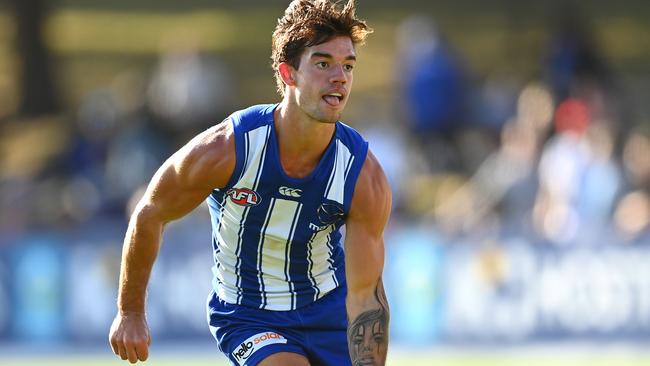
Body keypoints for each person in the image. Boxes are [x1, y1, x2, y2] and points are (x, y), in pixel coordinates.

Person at [108, 1, 391, 365]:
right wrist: (130, 312)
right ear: (288, 74)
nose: (340, 77)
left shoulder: (363, 175)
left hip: (329, 314)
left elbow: (367, 298)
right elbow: (150, 211)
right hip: (248, 315)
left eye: (348, 66)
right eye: (323, 63)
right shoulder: (228, 148)